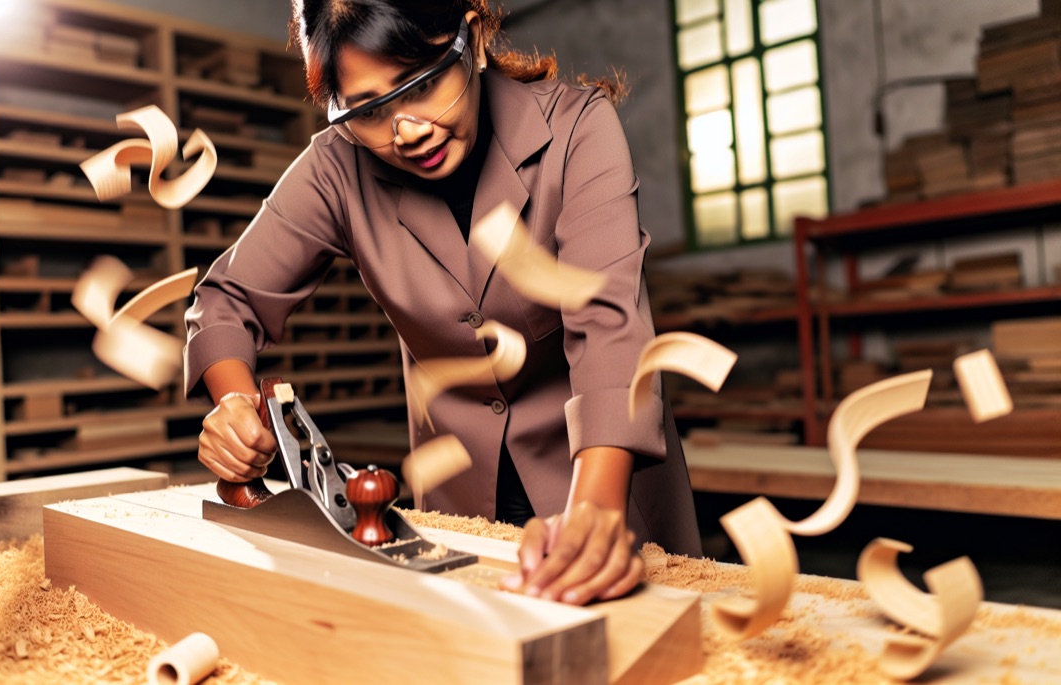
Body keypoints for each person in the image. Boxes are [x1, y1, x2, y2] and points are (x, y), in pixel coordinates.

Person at [185, 0, 701, 605]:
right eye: (369, 110)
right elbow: (227, 298)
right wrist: (236, 404)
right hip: (460, 509)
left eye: (423, 84)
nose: (407, 131)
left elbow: (609, 327)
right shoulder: (336, 168)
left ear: (473, 40)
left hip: (602, 485)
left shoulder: (577, 129)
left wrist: (594, 509)